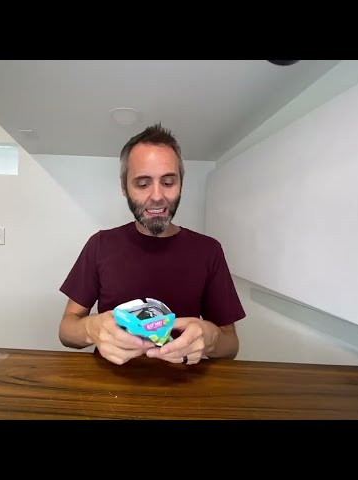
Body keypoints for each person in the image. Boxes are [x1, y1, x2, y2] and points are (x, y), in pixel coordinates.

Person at [58, 123, 246, 366]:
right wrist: (90, 328)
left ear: (181, 184)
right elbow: (66, 330)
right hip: (110, 382)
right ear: (124, 187)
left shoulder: (209, 251)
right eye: (143, 183)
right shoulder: (100, 244)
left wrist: (210, 339)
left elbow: (231, 345)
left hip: (186, 383)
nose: (157, 196)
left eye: (168, 182)